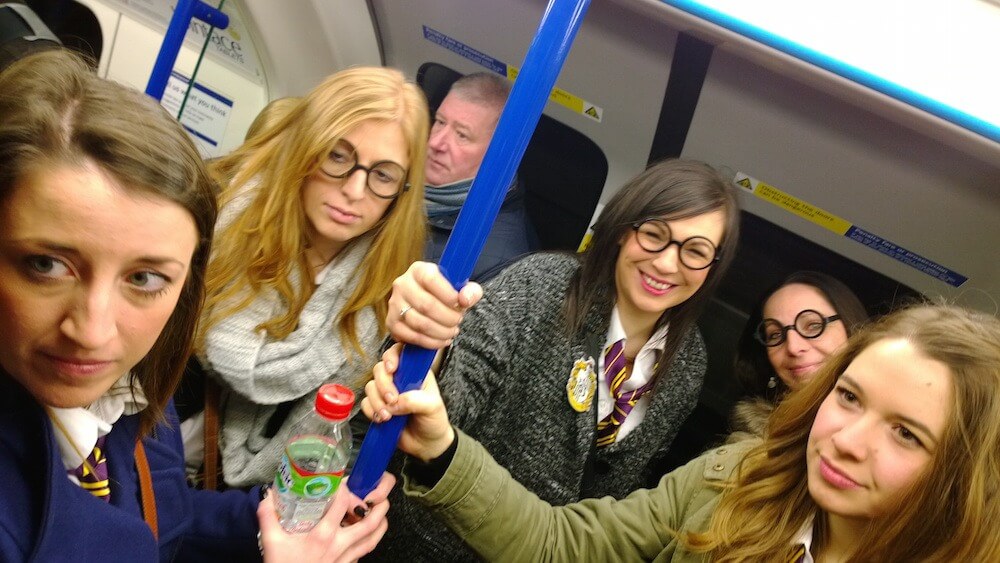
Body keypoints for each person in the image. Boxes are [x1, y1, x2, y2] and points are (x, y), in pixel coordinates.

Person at [0, 49, 392, 562]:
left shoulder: (127, 398)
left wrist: (278, 520)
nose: (93, 331)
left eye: (144, 278)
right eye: (46, 266)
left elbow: (161, 513)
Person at [366, 303, 1000, 561]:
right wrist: (443, 450)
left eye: (907, 435)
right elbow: (564, 543)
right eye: (850, 397)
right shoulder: (741, 478)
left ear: (967, 475)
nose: (849, 440)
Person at [371, 158, 741, 560]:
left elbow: (625, 499)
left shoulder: (688, 361)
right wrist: (432, 348)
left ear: (713, 267)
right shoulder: (543, 284)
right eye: (654, 234)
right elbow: (457, 392)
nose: (668, 263)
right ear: (622, 231)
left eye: (696, 251)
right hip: (432, 546)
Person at [184, 66, 429, 489]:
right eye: (338, 156)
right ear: (305, 149)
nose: (355, 190)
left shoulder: (389, 291)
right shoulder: (210, 219)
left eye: (383, 175)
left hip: (269, 500)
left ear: (401, 191)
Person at [423, 71, 536, 281]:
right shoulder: (403, 176)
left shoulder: (495, 265)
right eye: (440, 122)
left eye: (462, 135)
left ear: (496, 156)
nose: (435, 143)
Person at [728, 271, 869, 438]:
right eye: (775, 335)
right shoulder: (745, 443)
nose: (793, 347)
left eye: (813, 325)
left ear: (852, 326)